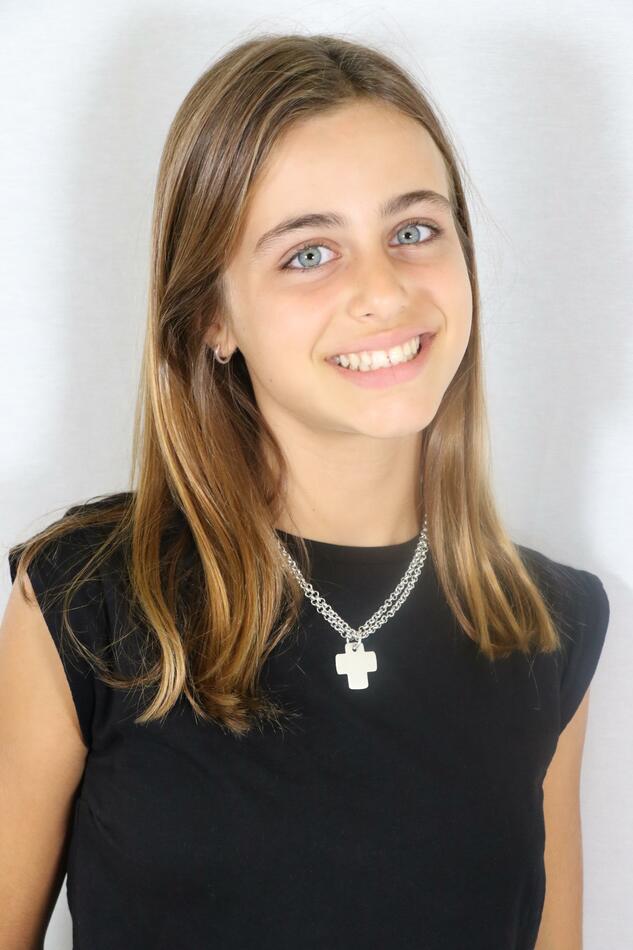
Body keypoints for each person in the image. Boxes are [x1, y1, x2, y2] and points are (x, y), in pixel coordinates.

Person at [2, 32, 610, 950]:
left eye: (413, 231)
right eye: (308, 253)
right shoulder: (87, 604)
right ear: (212, 317)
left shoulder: (547, 625)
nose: (383, 292)